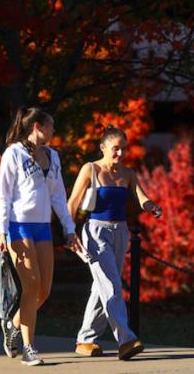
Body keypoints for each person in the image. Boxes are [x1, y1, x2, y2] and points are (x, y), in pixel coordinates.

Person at [0, 107, 83, 366]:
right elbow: (5, 194)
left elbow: (58, 196)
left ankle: (12, 325)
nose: (53, 130)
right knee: (31, 286)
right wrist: (1, 230)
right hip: (18, 226)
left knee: (43, 290)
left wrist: (69, 229)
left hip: (43, 228)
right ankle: (29, 348)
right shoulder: (14, 153)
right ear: (37, 126)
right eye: (51, 125)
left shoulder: (53, 157)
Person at [67, 125, 162, 360]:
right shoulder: (90, 169)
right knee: (111, 285)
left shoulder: (128, 173)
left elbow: (141, 198)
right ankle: (126, 340)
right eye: (115, 149)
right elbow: (72, 203)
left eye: (124, 149)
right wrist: (70, 234)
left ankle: (85, 340)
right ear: (103, 147)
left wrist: (152, 207)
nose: (120, 154)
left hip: (121, 232)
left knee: (102, 288)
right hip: (95, 233)